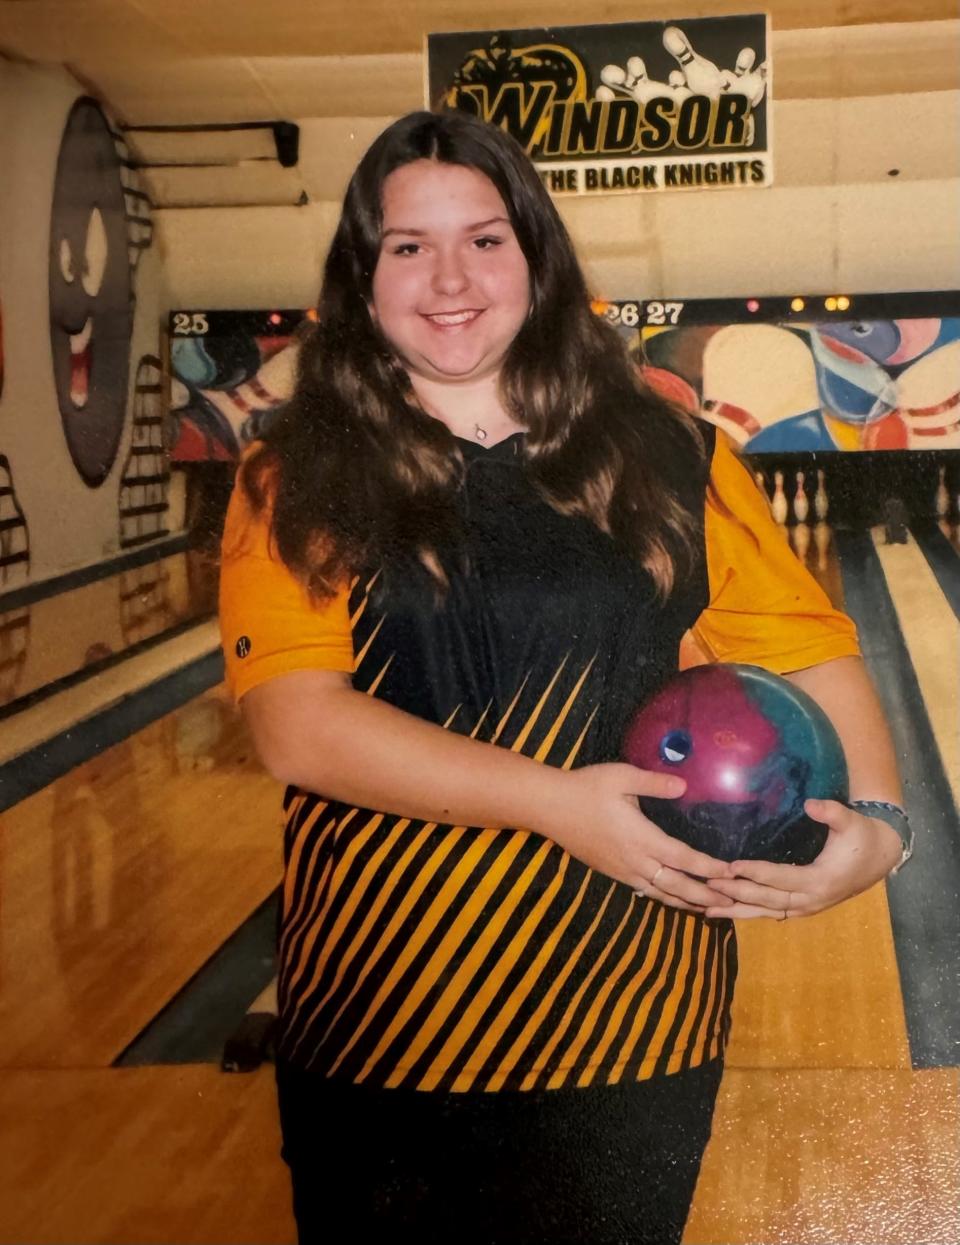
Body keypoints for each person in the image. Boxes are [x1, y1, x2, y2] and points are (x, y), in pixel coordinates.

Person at [218, 109, 911, 1244]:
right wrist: (557, 805)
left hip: (636, 1018)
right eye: (407, 246)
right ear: (364, 275)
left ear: (537, 259)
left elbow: (808, 644)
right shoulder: (292, 472)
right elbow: (301, 727)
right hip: (384, 1020)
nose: (450, 278)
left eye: (485, 239)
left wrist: (881, 826)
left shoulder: (671, 453)